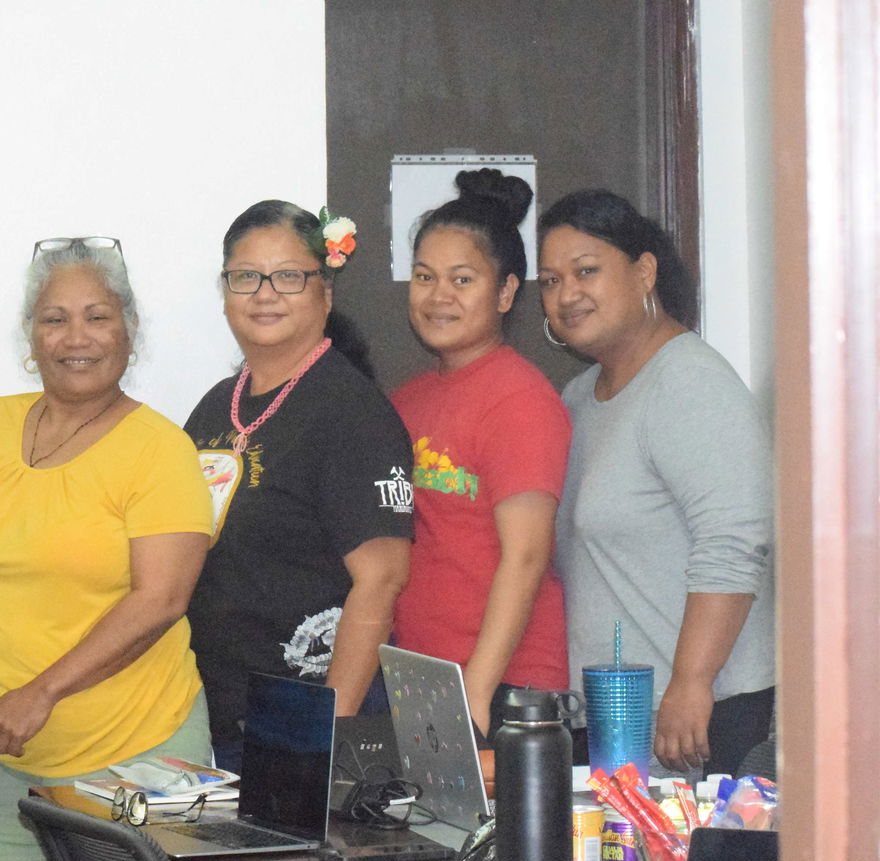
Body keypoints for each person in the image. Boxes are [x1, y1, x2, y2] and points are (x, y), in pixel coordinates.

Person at [0, 236, 213, 861]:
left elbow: (160, 599)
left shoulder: (160, 451)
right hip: (5, 753)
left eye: (97, 316)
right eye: (55, 318)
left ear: (130, 329)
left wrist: (42, 692)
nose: (77, 336)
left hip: (141, 755)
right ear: (30, 337)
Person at [540, 188, 774, 776]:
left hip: (697, 716)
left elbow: (734, 541)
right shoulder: (578, 397)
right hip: (618, 715)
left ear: (644, 272)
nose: (566, 294)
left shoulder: (689, 382)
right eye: (550, 280)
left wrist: (691, 682)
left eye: (586, 271)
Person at [183, 200, 414, 769]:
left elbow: (381, 580)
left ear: (325, 292)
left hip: (311, 724)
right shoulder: (216, 406)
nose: (265, 294)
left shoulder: (352, 412)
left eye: (288, 276)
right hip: (223, 715)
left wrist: (325, 732)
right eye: (246, 277)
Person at [390, 169, 570, 737]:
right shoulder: (406, 401)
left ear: (506, 292)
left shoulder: (519, 399)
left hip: (502, 689)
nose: (438, 296)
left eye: (462, 279)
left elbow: (526, 556)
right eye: (425, 276)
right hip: (426, 679)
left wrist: (476, 693)